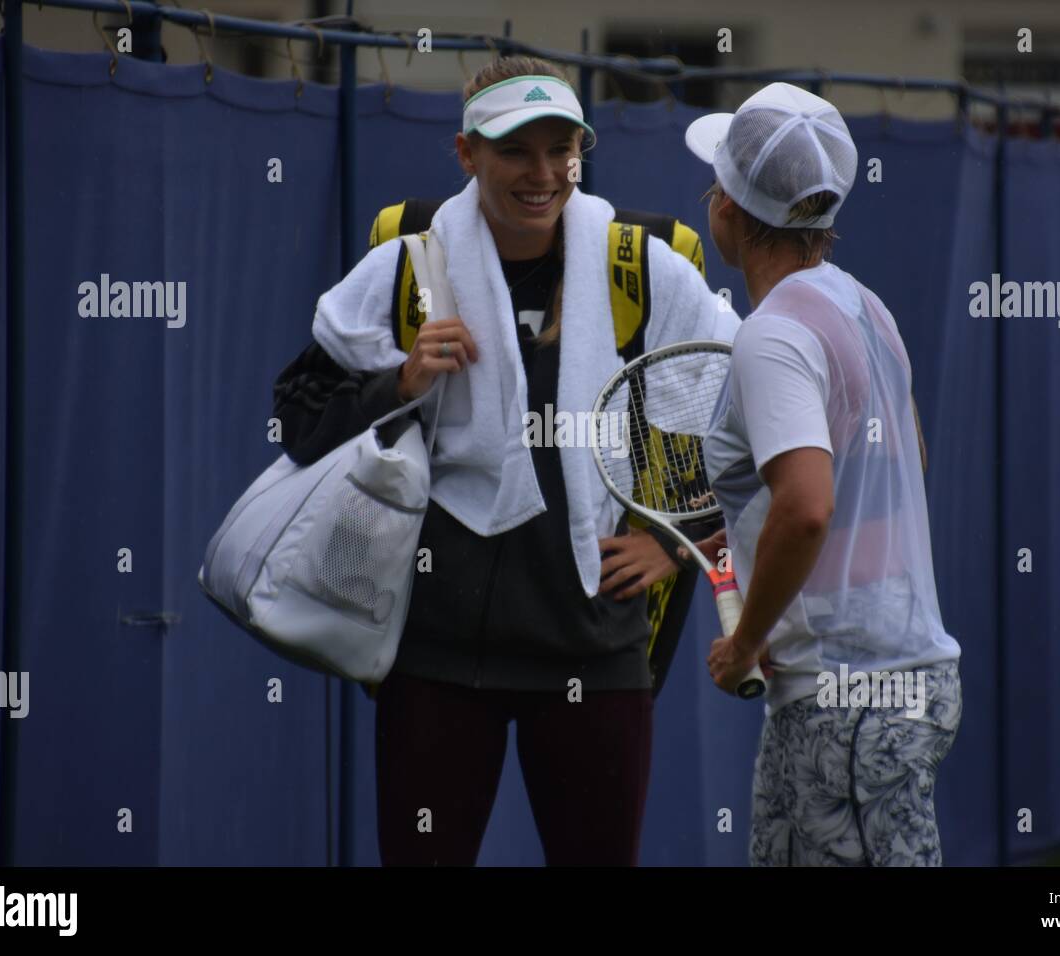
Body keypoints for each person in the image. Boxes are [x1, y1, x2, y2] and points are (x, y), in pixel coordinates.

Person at [272, 55, 738, 866]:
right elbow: (298, 419)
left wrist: (679, 541)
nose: (543, 173)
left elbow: (761, 415)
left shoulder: (642, 268)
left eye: (561, 150)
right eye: (516, 150)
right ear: (466, 154)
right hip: (441, 657)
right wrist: (402, 380)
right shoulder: (407, 269)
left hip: (593, 653)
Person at [684, 83, 963, 866]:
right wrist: (788, 612)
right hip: (866, 686)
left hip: (850, 702)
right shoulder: (868, 309)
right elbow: (900, 472)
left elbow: (807, 510)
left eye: (715, 185)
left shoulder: (771, 335)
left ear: (729, 212)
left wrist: (748, 638)